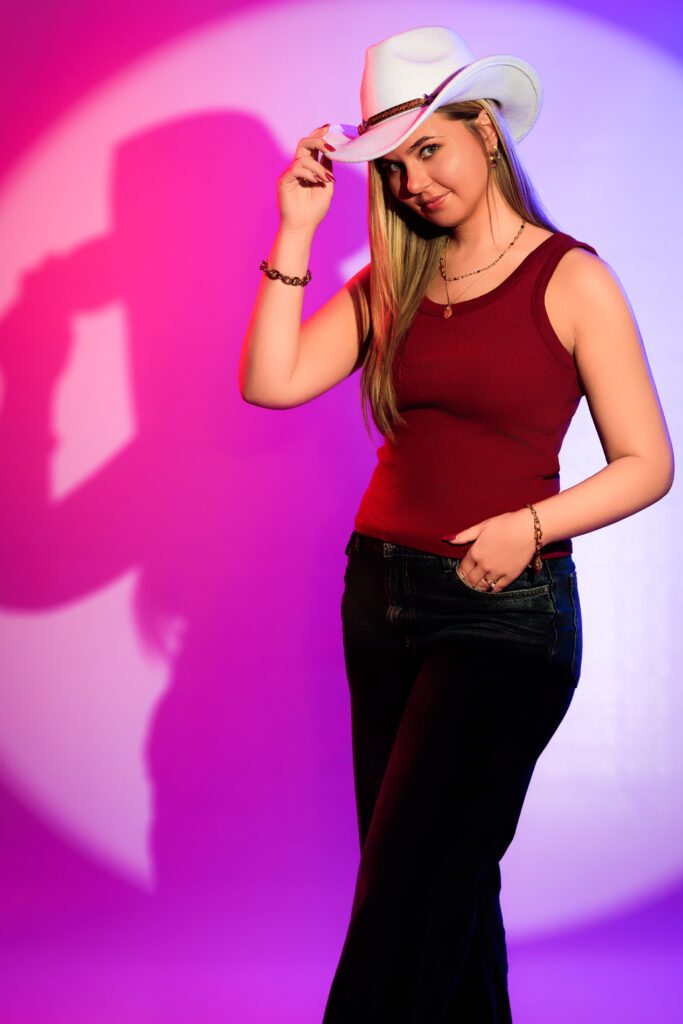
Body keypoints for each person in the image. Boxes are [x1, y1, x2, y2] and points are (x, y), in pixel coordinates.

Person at [239, 24, 674, 1024]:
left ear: (483, 130)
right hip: (381, 600)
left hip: (504, 618)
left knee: (402, 901)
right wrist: (295, 229)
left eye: (428, 149)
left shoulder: (570, 278)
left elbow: (645, 462)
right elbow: (270, 382)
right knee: (445, 892)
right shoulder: (394, 280)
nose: (411, 183)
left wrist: (529, 522)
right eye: (390, 167)